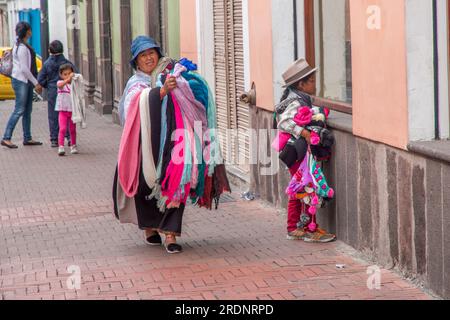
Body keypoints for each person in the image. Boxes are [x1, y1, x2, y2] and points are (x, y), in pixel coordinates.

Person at [113, 36, 230, 254]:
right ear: (136, 62)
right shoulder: (135, 83)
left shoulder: (170, 73)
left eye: (151, 53)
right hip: (145, 146)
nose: (148, 58)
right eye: (143, 55)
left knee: (177, 181)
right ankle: (150, 228)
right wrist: (161, 92)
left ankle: (171, 234)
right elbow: (132, 108)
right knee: (146, 186)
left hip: (174, 142)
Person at [275, 58, 336, 243]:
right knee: (309, 188)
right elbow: (284, 122)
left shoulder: (299, 98)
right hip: (298, 151)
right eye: (311, 81)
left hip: (295, 151)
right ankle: (311, 229)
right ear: (301, 84)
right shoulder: (296, 100)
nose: (314, 84)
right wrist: (305, 133)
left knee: (299, 188)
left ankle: (293, 227)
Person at [1, 22, 43, 149]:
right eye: (30, 30)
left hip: (25, 81)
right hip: (21, 81)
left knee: (27, 110)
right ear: (27, 32)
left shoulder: (19, 44)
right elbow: (24, 68)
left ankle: (27, 137)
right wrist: (36, 83)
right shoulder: (22, 48)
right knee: (19, 109)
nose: (31, 31)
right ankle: (6, 137)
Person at [37, 40, 77, 148]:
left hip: (53, 92)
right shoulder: (67, 64)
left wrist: (48, 86)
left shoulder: (46, 64)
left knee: (53, 116)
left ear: (50, 50)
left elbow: (40, 79)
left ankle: (54, 139)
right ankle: (69, 138)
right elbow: (76, 75)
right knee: (68, 115)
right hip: (67, 93)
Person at [56, 64, 78, 156]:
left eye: (69, 73)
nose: (68, 75)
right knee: (63, 128)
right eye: (65, 74)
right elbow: (60, 85)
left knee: (72, 129)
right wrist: (67, 80)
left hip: (72, 111)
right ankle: (61, 146)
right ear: (61, 75)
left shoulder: (74, 84)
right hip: (63, 110)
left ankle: (73, 145)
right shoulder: (60, 83)